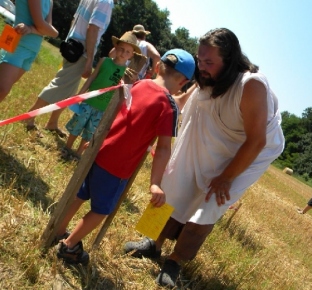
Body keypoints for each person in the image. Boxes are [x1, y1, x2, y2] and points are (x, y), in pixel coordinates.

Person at [124, 28, 285, 288]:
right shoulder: (208, 75)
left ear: (230, 60)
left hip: (250, 149)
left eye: (209, 62)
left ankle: (175, 261)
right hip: (211, 129)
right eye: (200, 60)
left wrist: (226, 177)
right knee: (175, 179)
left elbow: (256, 140)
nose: (202, 66)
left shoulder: (252, 85)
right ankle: (153, 242)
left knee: (210, 200)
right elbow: (181, 102)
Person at [54, 48, 195, 265]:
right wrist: (155, 183)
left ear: (157, 67)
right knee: (101, 210)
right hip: (118, 167)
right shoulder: (169, 106)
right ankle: (69, 245)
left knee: (80, 195)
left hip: (99, 150)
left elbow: (117, 110)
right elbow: (164, 148)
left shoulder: (139, 85)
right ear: (183, 82)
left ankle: (59, 229)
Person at [24, 0, 115, 138]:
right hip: (81, 50)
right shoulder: (105, 2)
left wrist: (69, 42)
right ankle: (28, 118)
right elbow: (93, 28)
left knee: (69, 90)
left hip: (73, 46)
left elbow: (75, 19)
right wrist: (89, 58)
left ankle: (52, 123)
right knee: (59, 85)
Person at [62, 31, 140, 160]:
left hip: (104, 109)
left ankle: (78, 154)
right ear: (115, 47)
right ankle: (67, 148)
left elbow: (126, 92)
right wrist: (81, 93)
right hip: (89, 102)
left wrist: (132, 80)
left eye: (127, 51)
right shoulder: (104, 61)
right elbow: (92, 77)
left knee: (89, 132)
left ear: (131, 55)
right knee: (77, 124)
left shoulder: (126, 73)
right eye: (121, 49)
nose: (123, 53)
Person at [0, 0, 58, 102]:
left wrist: (31, 29)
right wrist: (49, 31)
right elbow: (41, 24)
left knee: (4, 89)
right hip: (18, 44)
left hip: (32, 50)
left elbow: (50, 30)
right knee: (3, 89)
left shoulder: (50, 1)